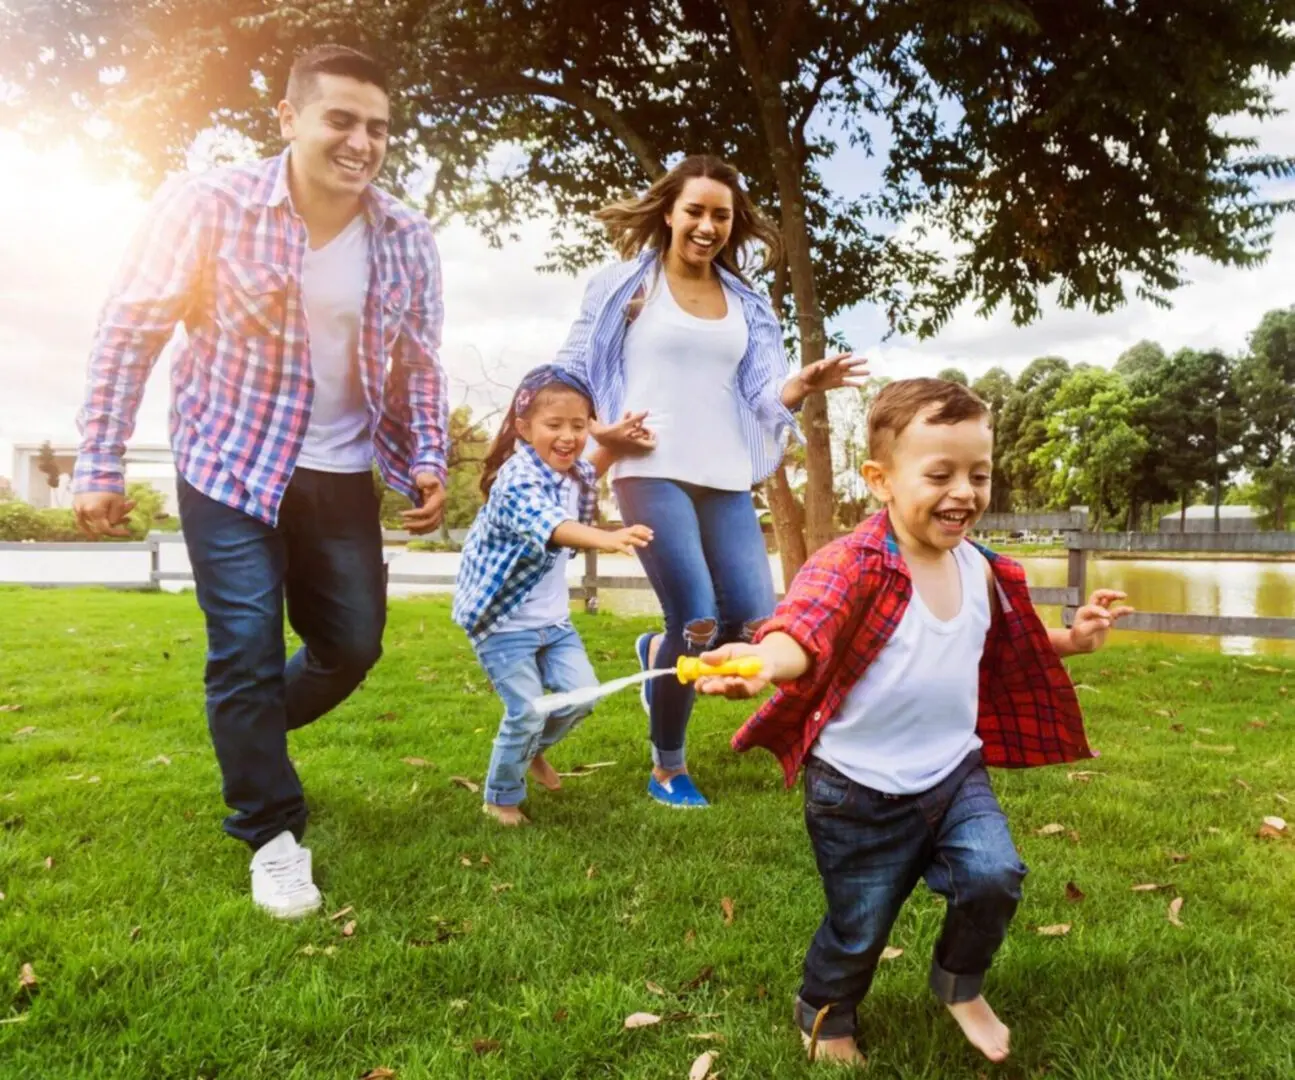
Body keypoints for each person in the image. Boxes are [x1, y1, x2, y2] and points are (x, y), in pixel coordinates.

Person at [71, 45, 450, 918]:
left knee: (350, 647)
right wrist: (98, 459)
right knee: (241, 647)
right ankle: (270, 830)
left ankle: (244, 735)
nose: (362, 142)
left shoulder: (406, 235)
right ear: (289, 119)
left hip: (341, 470)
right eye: (342, 120)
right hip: (230, 462)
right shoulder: (209, 204)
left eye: (379, 128)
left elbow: (418, 365)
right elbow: (130, 330)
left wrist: (425, 453)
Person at [697, 378, 1133, 1066]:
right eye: (940, 474)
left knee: (994, 875)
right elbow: (803, 628)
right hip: (855, 791)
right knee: (858, 926)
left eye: (978, 474)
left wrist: (1073, 639)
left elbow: (1006, 643)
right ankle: (825, 1014)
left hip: (952, 773)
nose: (964, 491)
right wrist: (762, 661)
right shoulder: (851, 563)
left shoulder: (983, 570)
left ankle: (959, 983)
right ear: (879, 480)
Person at [556, 153, 868, 808]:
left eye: (720, 215)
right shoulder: (625, 286)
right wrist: (596, 437)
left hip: (724, 470)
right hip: (650, 467)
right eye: (694, 210)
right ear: (668, 212)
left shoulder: (747, 302)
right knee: (696, 620)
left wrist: (802, 384)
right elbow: (573, 366)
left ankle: (656, 654)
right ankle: (667, 767)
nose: (706, 225)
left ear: (734, 223)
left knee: (754, 622)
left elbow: (761, 391)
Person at [453, 366, 655, 825]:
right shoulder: (517, 478)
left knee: (582, 696)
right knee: (525, 710)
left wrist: (615, 442)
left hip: (552, 623)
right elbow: (552, 526)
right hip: (502, 624)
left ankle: (528, 749)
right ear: (524, 430)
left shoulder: (568, 470)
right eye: (554, 425)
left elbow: (592, 466)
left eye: (578, 426)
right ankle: (501, 797)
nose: (568, 437)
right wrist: (605, 537)